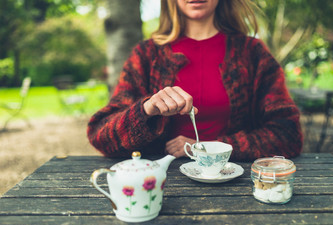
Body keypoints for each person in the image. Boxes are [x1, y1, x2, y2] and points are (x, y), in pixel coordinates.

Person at [87, 0, 303, 160]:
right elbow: (102, 136)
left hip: (237, 185)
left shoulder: (252, 53)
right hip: (162, 184)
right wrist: (146, 110)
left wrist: (207, 148)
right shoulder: (146, 55)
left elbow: (288, 134)